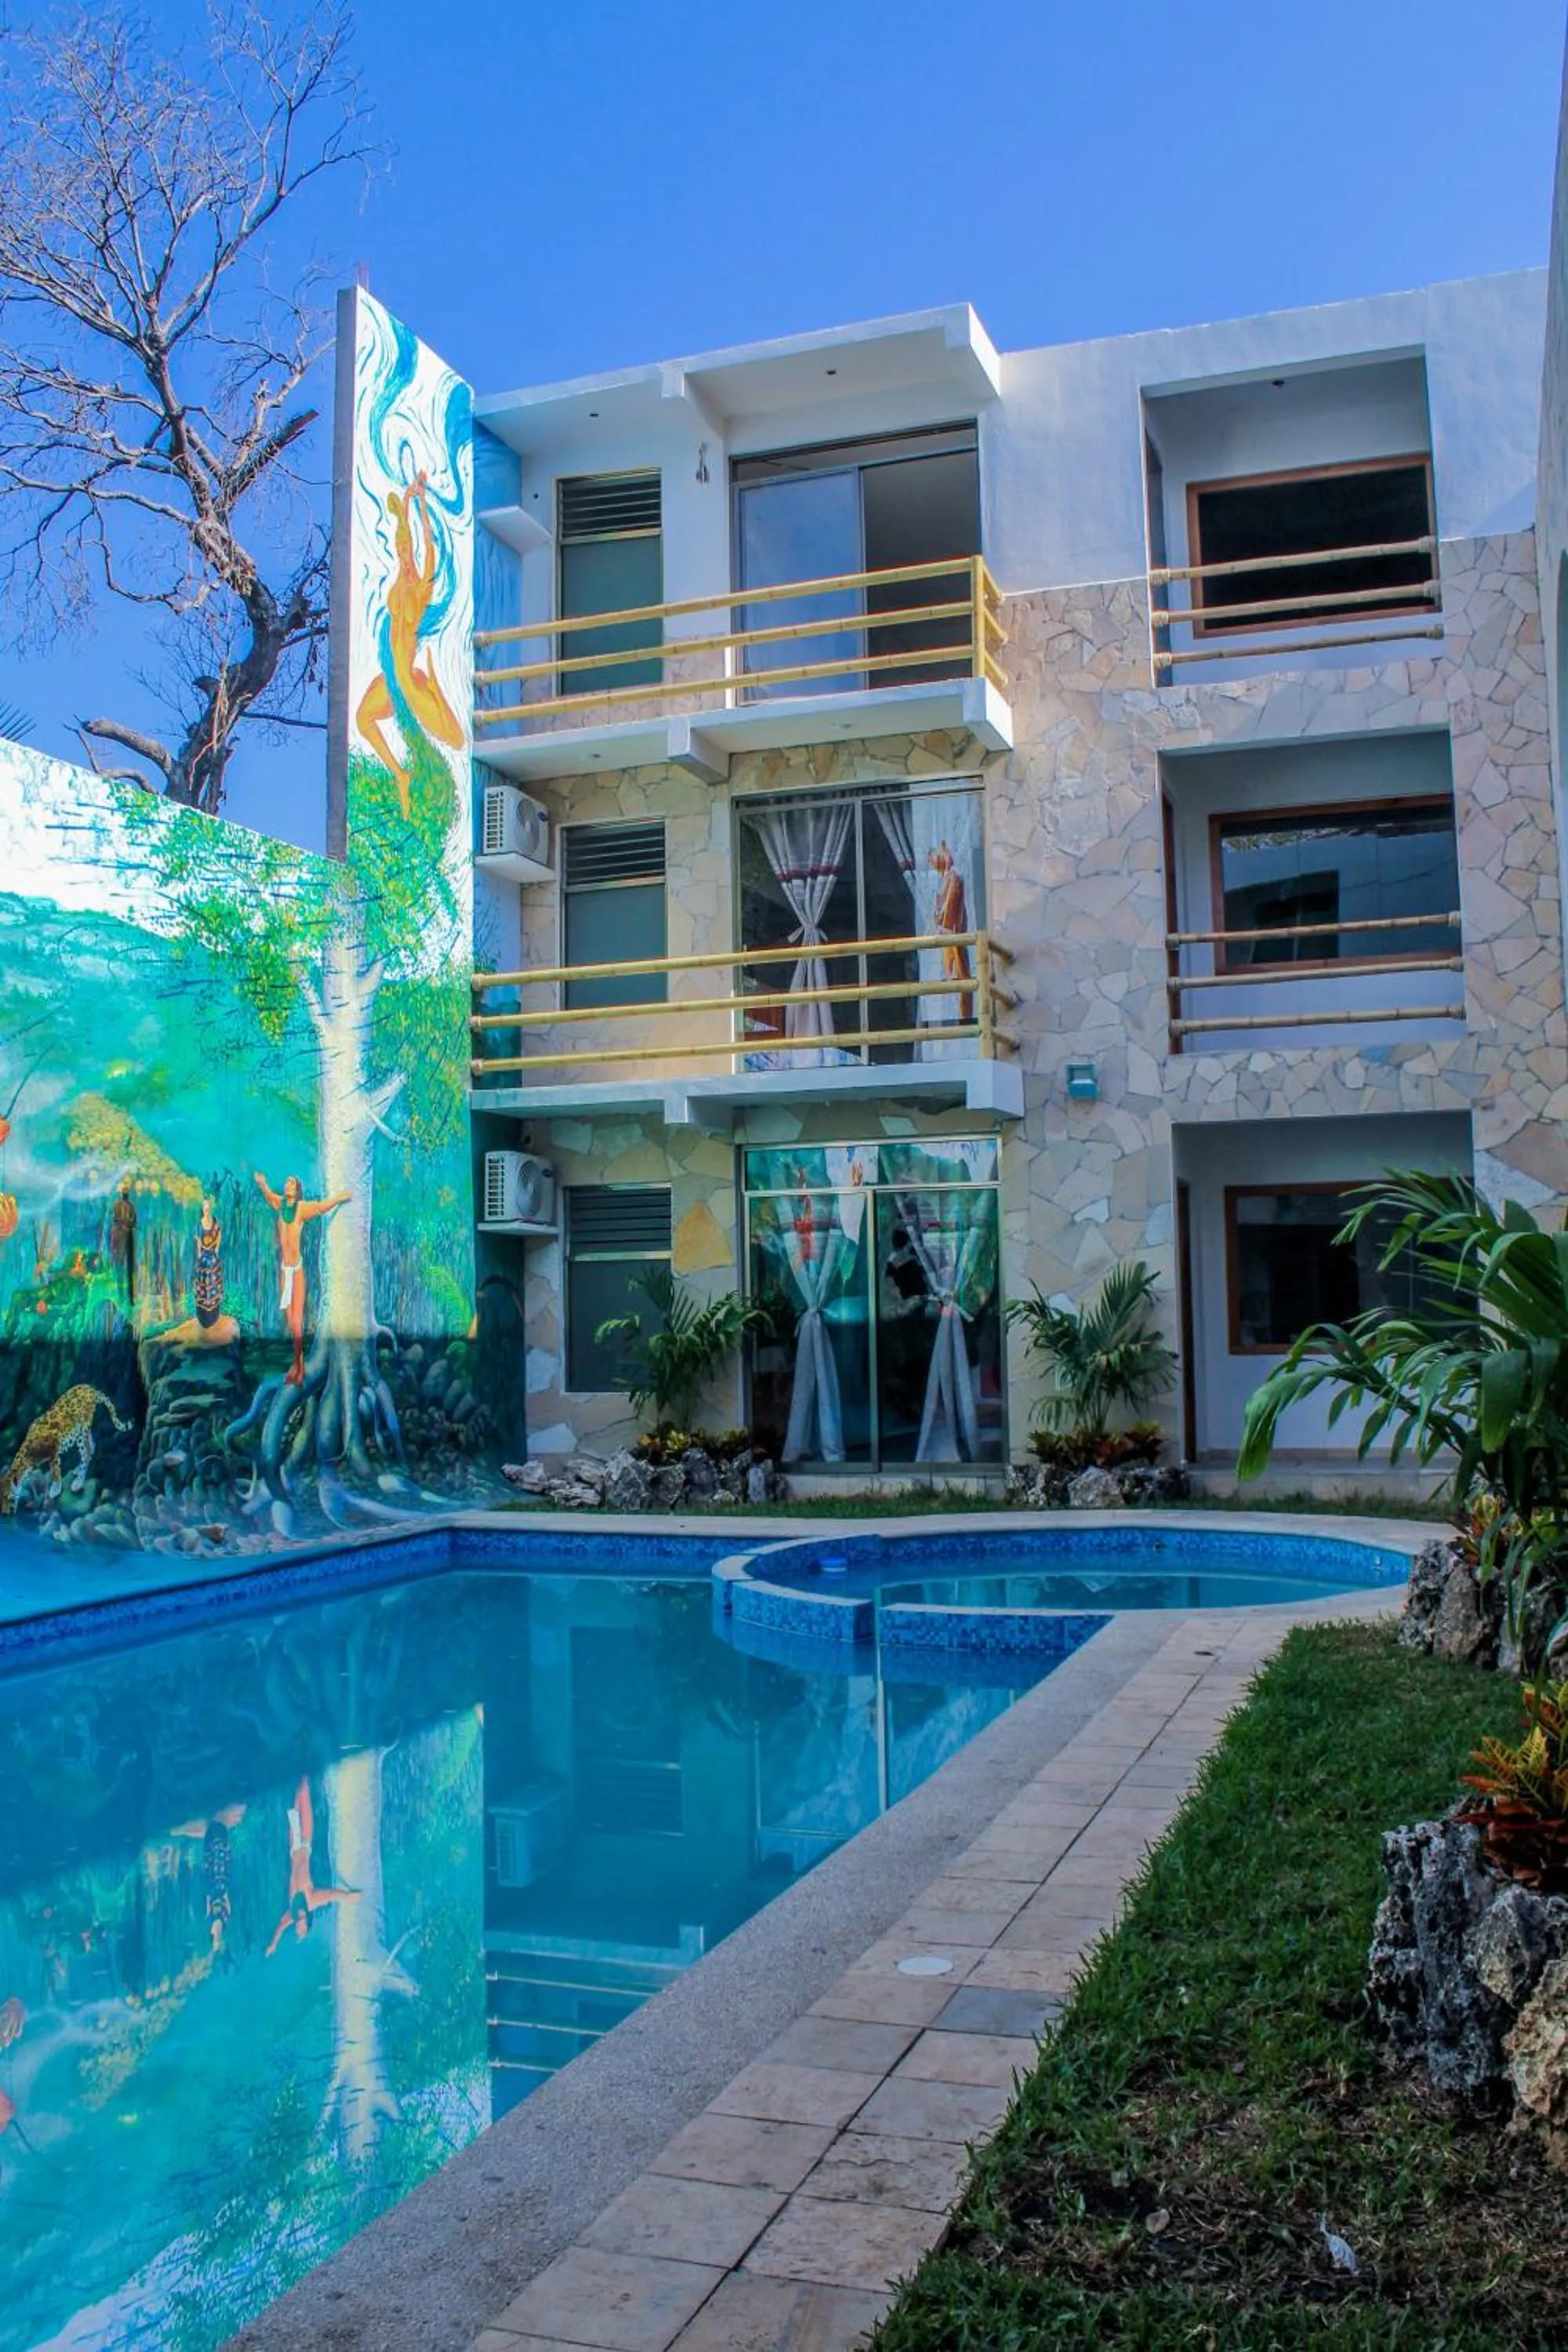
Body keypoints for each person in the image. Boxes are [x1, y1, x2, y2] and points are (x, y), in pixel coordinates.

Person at [354, 470, 464, 816]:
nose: (403, 553)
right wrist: (406, 498)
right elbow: (406, 536)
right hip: (393, 677)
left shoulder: (420, 591)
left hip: (406, 681)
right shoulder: (403, 577)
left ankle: (411, 774)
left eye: (407, 550)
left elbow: (427, 544)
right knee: (362, 720)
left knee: (455, 738)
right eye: (401, 550)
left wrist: (423, 502)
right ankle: (399, 774)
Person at [252, 1172, 350, 1386]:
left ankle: (300, 1366)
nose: (289, 1184)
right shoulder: (280, 1204)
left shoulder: (302, 1208)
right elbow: (269, 1195)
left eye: (293, 1183)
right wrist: (263, 1184)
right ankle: (298, 1360)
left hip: (296, 1271)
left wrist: (340, 1198)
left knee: (297, 1322)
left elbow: (321, 1206)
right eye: (287, 1181)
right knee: (290, 1321)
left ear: (297, 1190)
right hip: (284, 1270)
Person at [264, 1779, 358, 1955]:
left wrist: (273, 1945)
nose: (299, 1927)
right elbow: (331, 1895)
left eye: (298, 1930)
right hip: (305, 1842)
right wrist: (348, 1896)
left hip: (294, 1846)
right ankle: (305, 1763)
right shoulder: (311, 1902)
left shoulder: (292, 1913)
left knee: (296, 1798)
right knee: (304, 1792)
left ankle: (297, 1763)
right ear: (307, 1922)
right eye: (303, 1929)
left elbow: (280, 1927)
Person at [927, 841, 974, 1023]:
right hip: (949, 932)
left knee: (961, 973)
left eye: (934, 861)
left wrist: (942, 917)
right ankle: (964, 1017)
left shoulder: (954, 876)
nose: (934, 866)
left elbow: (950, 909)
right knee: (957, 974)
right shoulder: (948, 877)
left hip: (952, 932)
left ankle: (966, 1018)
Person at [194, 1196, 224, 1331]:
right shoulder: (200, 1224)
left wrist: (216, 1250)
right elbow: (198, 1241)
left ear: (210, 1209)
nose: (206, 1210)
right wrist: (199, 1255)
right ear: (203, 1210)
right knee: (203, 1287)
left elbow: (219, 1235)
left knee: (214, 1287)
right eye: (204, 1208)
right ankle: (203, 1317)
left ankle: (214, 1315)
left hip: (213, 1258)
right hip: (204, 1259)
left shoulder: (215, 1222)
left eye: (208, 1208)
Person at [108, 1177, 136, 1311]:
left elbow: (134, 1221)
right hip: (119, 1238)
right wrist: (123, 1226)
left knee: (129, 1269)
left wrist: (128, 1226)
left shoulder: (131, 1206)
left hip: (128, 1238)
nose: (125, 1192)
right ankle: (121, 1297)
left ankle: (130, 1298)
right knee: (119, 1269)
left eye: (127, 1191)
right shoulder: (116, 1205)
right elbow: (115, 1219)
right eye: (123, 1190)